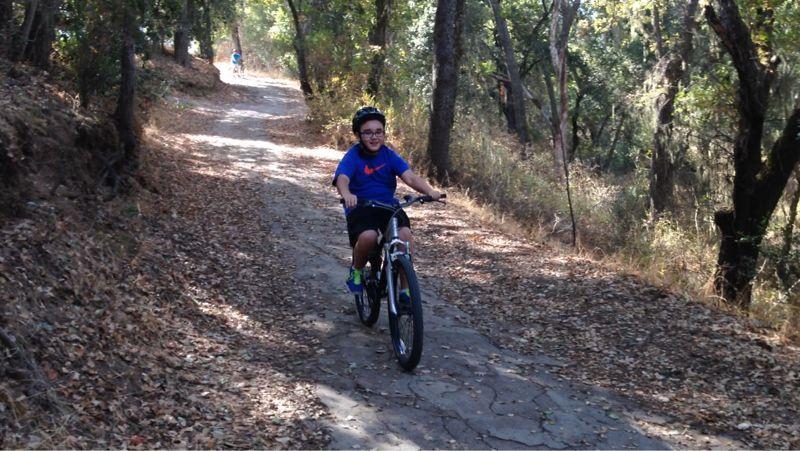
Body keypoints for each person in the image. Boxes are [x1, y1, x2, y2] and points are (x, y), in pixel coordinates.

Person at [332, 106, 445, 300]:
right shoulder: (353, 156)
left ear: (384, 133)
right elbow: (342, 178)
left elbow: (409, 177)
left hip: (387, 206)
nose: (374, 137)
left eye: (378, 132)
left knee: (405, 236)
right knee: (367, 237)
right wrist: (347, 193)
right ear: (359, 135)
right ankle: (356, 272)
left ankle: (405, 289)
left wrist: (430, 191)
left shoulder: (389, 155)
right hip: (361, 206)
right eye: (368, 133)